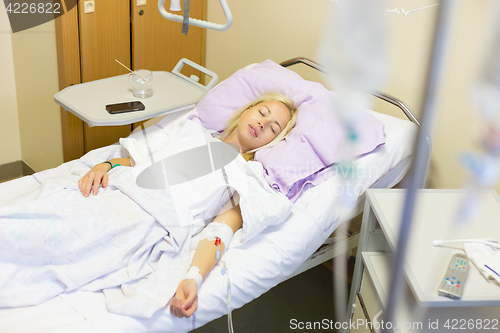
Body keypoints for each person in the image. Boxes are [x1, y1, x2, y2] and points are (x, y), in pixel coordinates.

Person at [77, 92, 298, 318]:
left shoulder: (247, 175)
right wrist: (104, 165)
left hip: (143, 223)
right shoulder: (192, 132)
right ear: (248, 109)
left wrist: (193, 277)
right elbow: (139, 163)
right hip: (112, 195)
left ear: (272, 143)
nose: (263, 123)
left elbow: (221, 231)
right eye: (262, 113)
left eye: (273, 128)